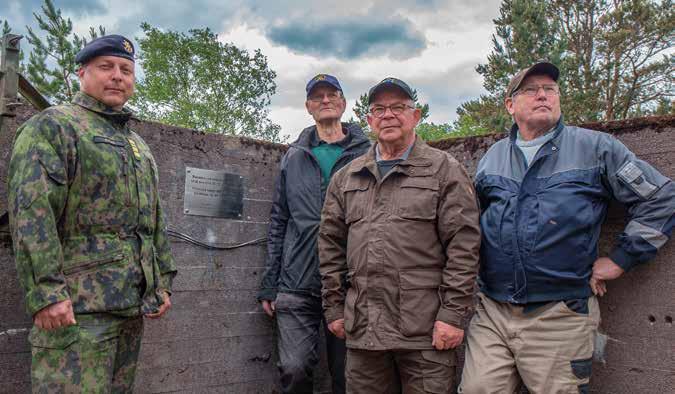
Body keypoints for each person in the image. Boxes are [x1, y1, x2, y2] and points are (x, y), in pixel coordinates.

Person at [459, 62, 675, 394]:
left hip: (559, 314)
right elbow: (475, 224)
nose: (542, 95)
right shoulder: (492, 157)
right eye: (531, 90)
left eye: (550, 89)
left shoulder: (596, 148)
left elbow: (661, 197)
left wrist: (620, 260)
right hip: (492, 312)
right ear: (510, 104)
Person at [8, 35, 177, 392]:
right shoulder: (54, 126)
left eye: (126, 70)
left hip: (130, 307)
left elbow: (153, 219)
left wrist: (161, 282)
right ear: (82, 72)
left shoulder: (136, 144)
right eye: (106, 67)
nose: (118, 76)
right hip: (77, 311)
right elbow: (31, 213)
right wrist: (47, 294)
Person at [319, 77, 481, 393]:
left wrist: (452, 315)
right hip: (363, 329)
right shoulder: (346, 178)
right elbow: (329, 246)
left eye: (398, 107)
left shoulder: (444, 170)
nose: (388, 115)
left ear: (415, 116)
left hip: (425, 332)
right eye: (379, 109)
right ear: (368, 120)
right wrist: (334, 307)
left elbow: (464, 246)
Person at [258, 74, 370, 393]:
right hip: (297, 281)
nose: (325, 100)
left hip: (352, 285)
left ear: (344, 103)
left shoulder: (367, 154)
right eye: (317, 97)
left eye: (331, 94)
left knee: (349, 375)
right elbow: (279, 219)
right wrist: (270, 283)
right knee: (293, 370)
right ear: (308, 107)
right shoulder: (294, 155)